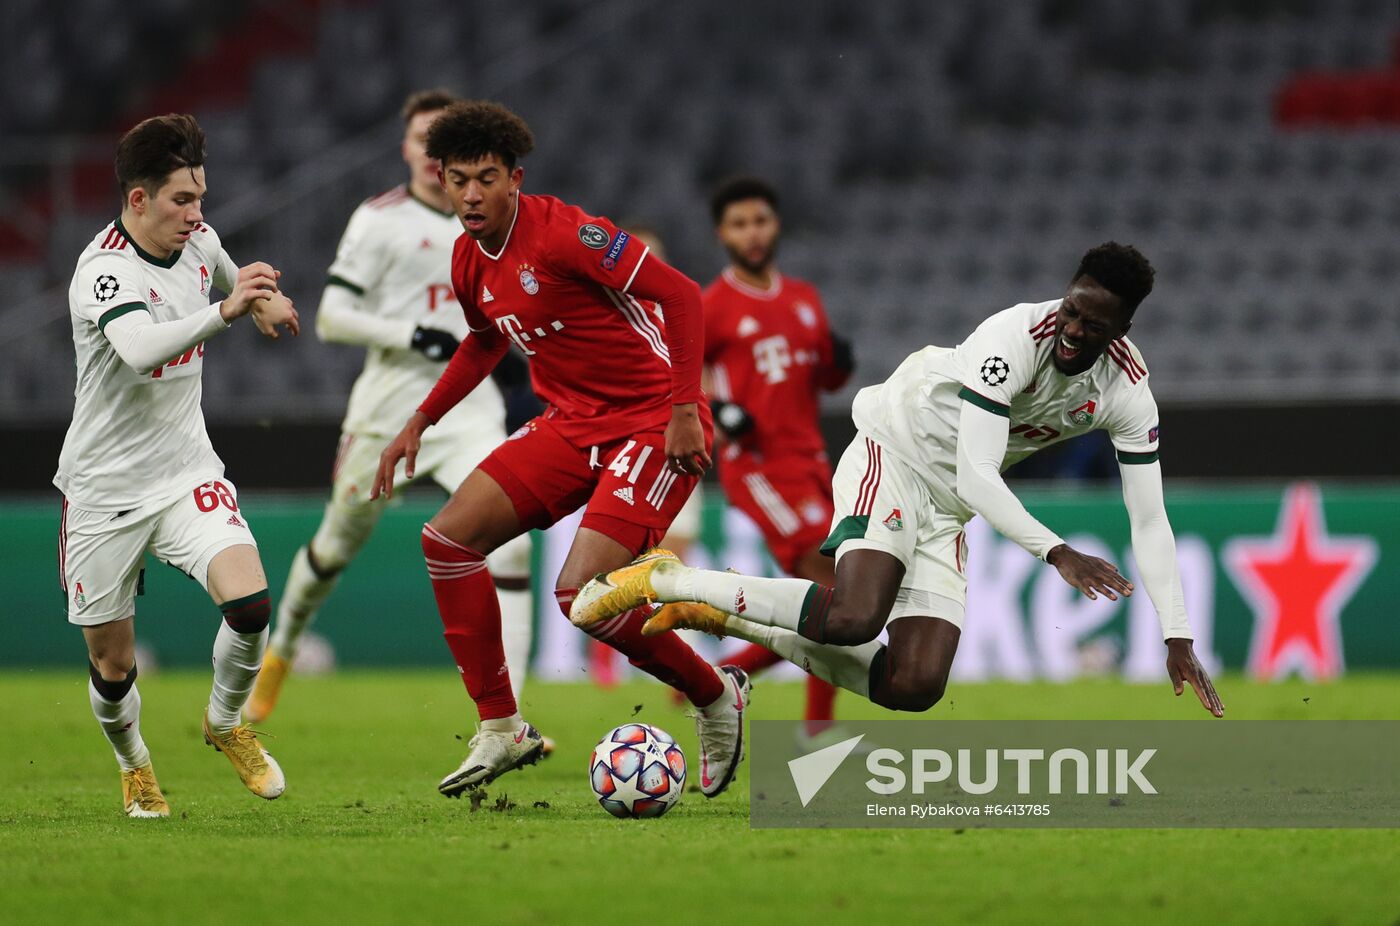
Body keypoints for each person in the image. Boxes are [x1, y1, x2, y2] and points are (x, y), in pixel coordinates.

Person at [573, 243, 1225, 719]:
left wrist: (1176, 632)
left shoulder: (1129, 393)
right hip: (897, 453)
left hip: (948, 508)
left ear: (1124, 333)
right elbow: (976, 471)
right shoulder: (1014, 337)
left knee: (914, 685)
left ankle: (725, 616)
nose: (1075, 332)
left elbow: (1149, 519)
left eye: (1095, 326)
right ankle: (664, 578)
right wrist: (1056, 551)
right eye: (1073, 311)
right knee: (854, 617)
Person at [372, 101, 749, 798]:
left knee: (583, 597)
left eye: (487, 178)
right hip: (571, 422)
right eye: (459, 180)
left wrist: (686, 406)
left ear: (515, 178)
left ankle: (714, 693)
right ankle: (501, 728)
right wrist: (418, 420)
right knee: (447, 541)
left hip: (650, 422)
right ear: (442, 181)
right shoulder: (468, 258)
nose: (473, 194)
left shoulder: (567, 234)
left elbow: (684, 296)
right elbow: (486, 340)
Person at [247, 90, 534, 724]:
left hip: (467, 410)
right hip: (388, 409)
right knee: (336, 546)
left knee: (509, 544)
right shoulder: (379, 220)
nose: (436, 155)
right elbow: (330, 316)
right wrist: (408, 334)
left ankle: (512, 716)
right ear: (408, 149)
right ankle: (282, 654)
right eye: (424, 140)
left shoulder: (492, 221)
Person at [56, 113, 301, 818]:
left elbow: (240, 289)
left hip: (185, 472)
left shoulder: (202, 244)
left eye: (200, 198)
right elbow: (139, 348)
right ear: (138, 201)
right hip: (104, 488)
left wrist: (266, 305)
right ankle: (136, 768)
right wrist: (229, 310)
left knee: (251, 606)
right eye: (181, 201)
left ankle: (226, 722)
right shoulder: (102, 271)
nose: (197, 216)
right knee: (113, 663)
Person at [699, 177, 853, 745]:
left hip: (811, 459)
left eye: (760, 220)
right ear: (722, 234)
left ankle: (725, 675)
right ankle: (819, 729)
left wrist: (839, 363)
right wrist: (718, 408)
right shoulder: (710, 306)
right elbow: (677, 372)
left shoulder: (803, 297)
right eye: (739, 224)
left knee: (829, 599)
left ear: (776, 224)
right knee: (833, 583)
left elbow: (823, 378)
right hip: (758, 467)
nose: (753, 233)